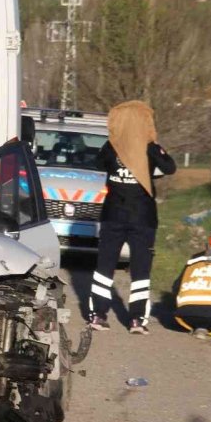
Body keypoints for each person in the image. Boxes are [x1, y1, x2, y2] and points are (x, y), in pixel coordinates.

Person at [89, 100, 176, 335]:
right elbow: (170, 168)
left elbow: (98, 163)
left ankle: (98, 314)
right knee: (140, 269)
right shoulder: (149, 147)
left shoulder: (112, 146)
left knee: (104, 266)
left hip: (112, 214)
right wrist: (153, 155)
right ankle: (137, 320)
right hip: (143, 218)